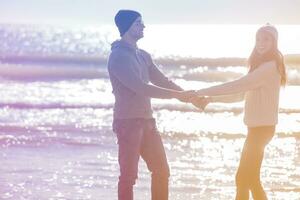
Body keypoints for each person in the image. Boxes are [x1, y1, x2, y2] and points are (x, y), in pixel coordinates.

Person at [107, 10, 206, 200]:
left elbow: (162, 81)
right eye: (138, 23)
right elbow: (141, 88)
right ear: (127, 27)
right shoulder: (118, 56)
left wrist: (188, 96)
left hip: (147, 122)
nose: (143, 26)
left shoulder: (143, 55)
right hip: (127, 123)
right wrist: (178, 96)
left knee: (162, 171)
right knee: (128, 177)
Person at [193, 24, 286, 200]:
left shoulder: (268, 67)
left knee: (243, 179)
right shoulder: (262, 67)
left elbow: (236, 85)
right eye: (258, 39)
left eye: (266, 39)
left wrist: (202, 91)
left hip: (261, 130)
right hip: (259, 129)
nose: (261, 43)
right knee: (251, 179)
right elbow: (240, 94)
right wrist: (212, 99)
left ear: (274, 42)